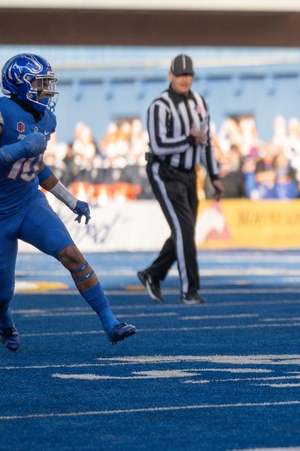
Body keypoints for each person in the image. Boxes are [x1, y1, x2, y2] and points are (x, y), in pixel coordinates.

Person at [0, 53, 136, 350]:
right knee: (2, 293)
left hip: (28, 204)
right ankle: (4, 320)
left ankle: (110, 322)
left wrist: (71, 200)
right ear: (20, 84)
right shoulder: (3, 112)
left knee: (72, 256)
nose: (47, 91)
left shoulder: (46, 119)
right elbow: (21, 156)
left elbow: (36, 168)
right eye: (40, 84)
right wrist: (18, 149)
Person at [137, 54, 223, 305]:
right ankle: (189, 291)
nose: (185, 79)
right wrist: (189, 139)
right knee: (184, 230)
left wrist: (214, 176)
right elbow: (159, 145)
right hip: (164, 172)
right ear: (170, 76)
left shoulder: (200, 102)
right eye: (180, 74)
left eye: (189, 75)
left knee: (184, 231)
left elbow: (205, 143)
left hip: (189, 174)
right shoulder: (159, 106)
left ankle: (152, 274)